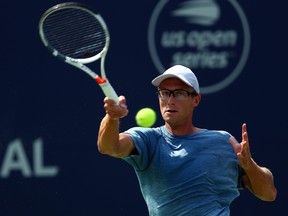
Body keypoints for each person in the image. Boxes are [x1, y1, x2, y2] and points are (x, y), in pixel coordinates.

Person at [97, 65, 277, 215]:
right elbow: (109, 147)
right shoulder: (148, 140)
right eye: (164, 93)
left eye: (180, 93)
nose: (170, 100)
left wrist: (249, 165)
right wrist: (112, 117)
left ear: (196, 100)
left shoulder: (223, 142)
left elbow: (268, 194)